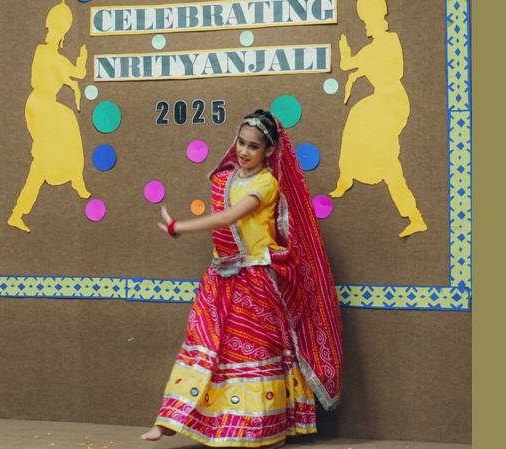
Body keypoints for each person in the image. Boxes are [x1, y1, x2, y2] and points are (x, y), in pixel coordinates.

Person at [141, 110, 343, 448]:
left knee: (254, 352)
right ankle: (169, 421)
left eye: (253, 146)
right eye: (241, 142)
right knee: (203, 341)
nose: (244, 151)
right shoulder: (228, 178)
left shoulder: (266, 183)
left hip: (255, 278)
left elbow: (230, 217)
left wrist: (181, 227)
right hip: (220, 278)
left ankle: (265, 429)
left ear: (269, 151)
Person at [331, 0, 427, 238]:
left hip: (392, 102)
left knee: (372, 135)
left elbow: (395, 71)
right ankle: (414, 216)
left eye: (368, 22)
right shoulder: (371, 50)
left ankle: (347, 176)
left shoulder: (390, 41)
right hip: (380, 101)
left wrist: (366, 66)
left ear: (378, 20)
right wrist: (344, 49)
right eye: (364, 22)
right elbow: (347, 64)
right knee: (383, 154)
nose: (366, 27)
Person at [8, 0, 90, 233]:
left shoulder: (48, 55)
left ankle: (17, 213)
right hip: (42, 107)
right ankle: (76, 177)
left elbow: (72, 74)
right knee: (55, 142)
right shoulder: (47, 55)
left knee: (42, 161)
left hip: (39, 106)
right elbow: (77, 73)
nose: (59, 36)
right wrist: (82, 59)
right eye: (59, 32)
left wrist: (77, 68)